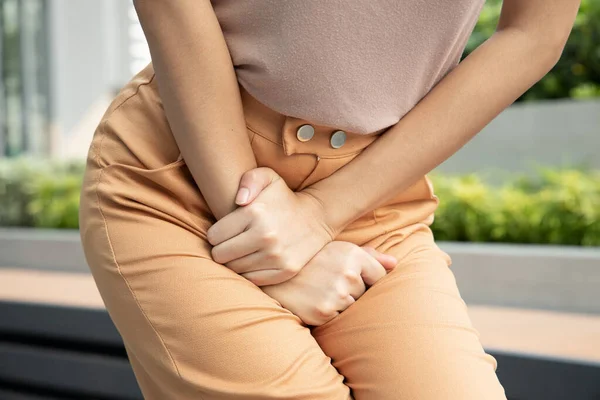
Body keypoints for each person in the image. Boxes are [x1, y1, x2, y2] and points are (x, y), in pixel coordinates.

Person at [78, 1, 580, 398]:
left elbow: (533, 34)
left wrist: (319, 216)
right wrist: (266, 241)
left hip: (371, 201)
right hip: (188, 177)